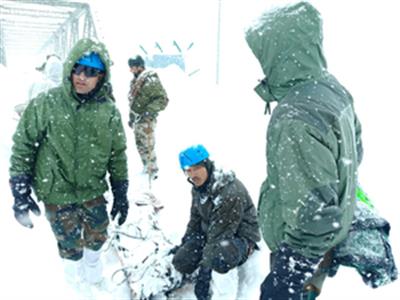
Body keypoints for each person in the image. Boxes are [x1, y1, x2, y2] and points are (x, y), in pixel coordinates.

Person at [245, 2, 397, 299]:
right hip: (320, 244)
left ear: (279, 53)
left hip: (302, 251)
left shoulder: (295, 116)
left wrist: (287, 276)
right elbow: (355, 152)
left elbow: (312, 216)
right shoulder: (330, 87)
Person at [9, 38, 129, 288]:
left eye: (91, 72)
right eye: (78, 68)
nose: (82, 77)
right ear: (69, 69)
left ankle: (96, 281)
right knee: (70, 248)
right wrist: (20, 188)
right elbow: (23, 144)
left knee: (97, 238)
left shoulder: (109, 112)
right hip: (56, 191)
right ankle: (75, 288)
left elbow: (117, 153)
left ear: (102, 76)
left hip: (92, 190)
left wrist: (120, 190)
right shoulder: (47, 103)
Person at [172, 144, 261, 300]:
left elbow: (222, 234)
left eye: (196, 168)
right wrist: (186, 243)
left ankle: (224, 294)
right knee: (182, 261)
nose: (192, 174)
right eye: (188, 170)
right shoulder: (198, 186)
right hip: (213, 232)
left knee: (219, 258)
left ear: (206, 165)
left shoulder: (229, 191)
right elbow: (195, 219)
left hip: (239, 237)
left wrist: (205, 272)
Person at [127, 55, 168, 182]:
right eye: (130, 68)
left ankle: (152, 170)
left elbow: (162, 99)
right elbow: (135, 102)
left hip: (147, 119)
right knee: (140, 144)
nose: (131, 70)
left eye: (133, 67)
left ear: (140, 67)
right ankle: (146, 166)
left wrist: (149, 111)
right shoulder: (136, 81)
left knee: (148, 144)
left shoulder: (150, 80)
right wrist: (132, 118)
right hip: (138, 119)